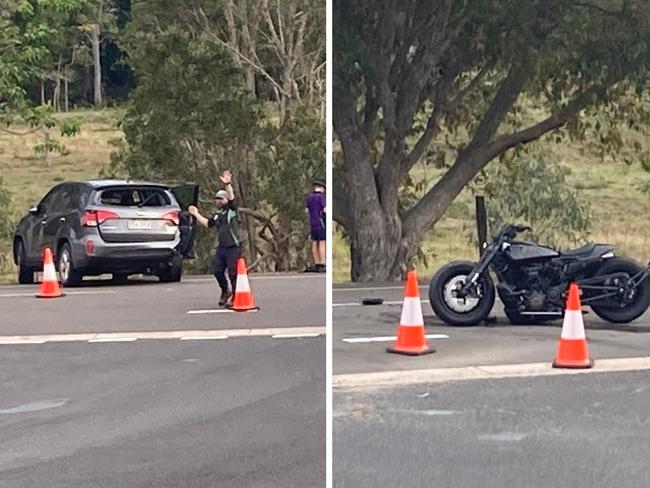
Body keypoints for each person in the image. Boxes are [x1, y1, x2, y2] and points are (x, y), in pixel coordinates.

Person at [188, 170, 240, 306]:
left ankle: (235, 297)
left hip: (232, 247)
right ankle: (225, 291)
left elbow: (232, 197)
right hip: (222, 247)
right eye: (217, 199)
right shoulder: (218, 214)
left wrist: (228, 184)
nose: (218, 201)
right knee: (217, 270)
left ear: (226, 200)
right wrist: (196, 214)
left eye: (221, 199)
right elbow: (208, 223)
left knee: (233, 273)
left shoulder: (231, 211)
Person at [305, 177, 326, 273]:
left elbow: (306, 210)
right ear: (322, 188)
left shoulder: (309, 197)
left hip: (312, 222)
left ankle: (316, 262)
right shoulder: (321, 197)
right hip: (320, 221)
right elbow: (325, 209)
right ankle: (322, 262)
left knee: (314, 242)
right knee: (322, 242)